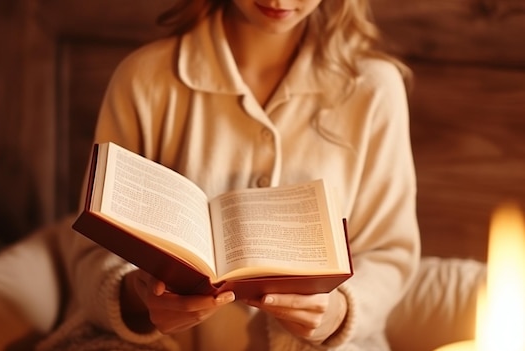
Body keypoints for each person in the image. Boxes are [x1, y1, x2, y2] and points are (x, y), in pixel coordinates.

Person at [40, 0, 421, 350]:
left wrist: (336, 312)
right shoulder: (145, 78)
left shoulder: (374, 89)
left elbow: (391, 252)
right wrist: (139, 298)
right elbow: (93, 252)